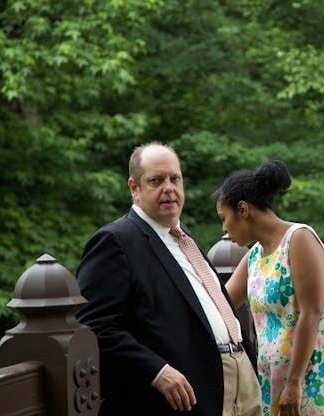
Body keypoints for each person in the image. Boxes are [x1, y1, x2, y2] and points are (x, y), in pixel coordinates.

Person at [76, 142, 262, 416]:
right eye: (156, 180)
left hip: (242, 375)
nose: (169, 188)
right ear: (134, 187)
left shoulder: (182, 235)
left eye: (175, 179)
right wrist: (157, 371)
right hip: (189, 392)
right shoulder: (116, 241)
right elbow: (94, 325)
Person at [214, 160, 324, 416]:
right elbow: (221, 303)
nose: (224, 228)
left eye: (223, 218)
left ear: (243, 209)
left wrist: (294, 383)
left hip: (313, 372)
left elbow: (312, 312)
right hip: (273, 376)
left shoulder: (299, 239)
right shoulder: (254, 257)